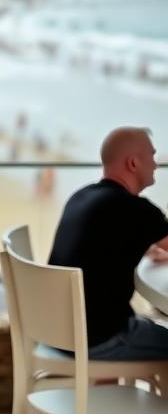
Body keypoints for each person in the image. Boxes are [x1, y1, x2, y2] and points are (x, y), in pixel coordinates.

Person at [48, 126, 168, 360]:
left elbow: (103, 247)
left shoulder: (81, 196)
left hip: (54, 333)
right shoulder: (137, 211)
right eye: (152, 157)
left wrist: (148, 248)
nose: (156, 165)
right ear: (133, 163)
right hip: (98, 339)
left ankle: (109, 390)